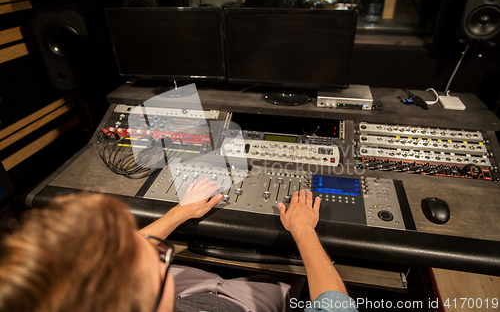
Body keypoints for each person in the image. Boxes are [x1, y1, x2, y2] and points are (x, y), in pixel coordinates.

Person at [0, 177, 358, 312]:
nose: (159, 249)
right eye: (159, 258)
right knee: (284, 280)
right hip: (243, 303)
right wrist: (303, 229)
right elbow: (335, 305)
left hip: (186, 295)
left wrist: (179, 214)